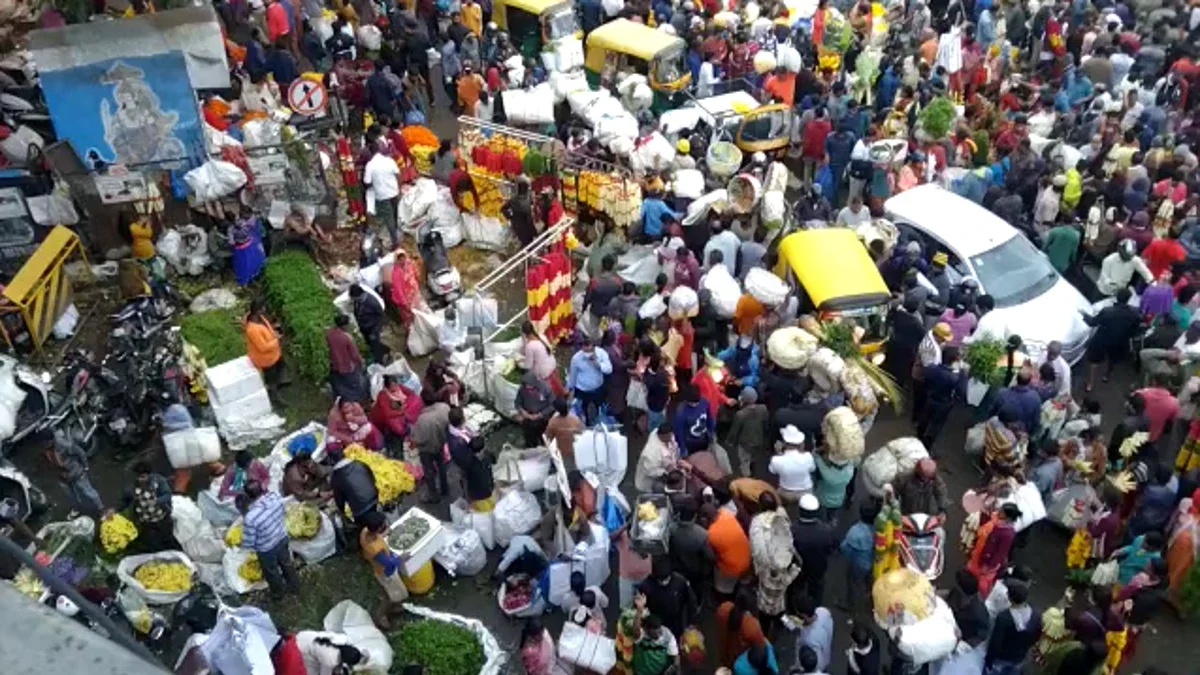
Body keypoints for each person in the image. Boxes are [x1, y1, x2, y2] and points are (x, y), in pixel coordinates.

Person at [240, 482, 300, 599]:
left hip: (266, 549)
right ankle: (295, 587)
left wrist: (243, 544)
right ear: (262, 489)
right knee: (286, 563)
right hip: (281, 537)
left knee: (272, 572)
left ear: (248, 497)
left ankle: (279, 594)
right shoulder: (275, 496)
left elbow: (249, 542)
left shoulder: (251, 518)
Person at [359, 510, 408, 628]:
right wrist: (402, 558)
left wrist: (385, 534)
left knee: (390, 593)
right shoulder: (376, 550)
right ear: (377, 528)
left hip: (378, 567)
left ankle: (394, 607)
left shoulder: (365, 532)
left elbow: (375, 537)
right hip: (386, 573)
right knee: (392, 595)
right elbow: (389, 564)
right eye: (383, 525)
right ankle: (381, 616)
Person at [985, 581, 1043, 675]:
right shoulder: (1036, 614)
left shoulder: (1004, 617)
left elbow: (996, 642)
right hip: (1020, 657)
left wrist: (989, 659)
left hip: (1002, 657)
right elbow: (1037, 635)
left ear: (1009, 598)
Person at [916, 346, 966, 452]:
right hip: (944, 403)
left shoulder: (932, 369)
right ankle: (926, 448)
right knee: (936, 426)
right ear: (955, 360)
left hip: (931, 398)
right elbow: (961, 393)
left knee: (924, 420)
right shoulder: (956, 377)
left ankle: (918, 439)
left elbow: (925, 380)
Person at [638, 556, 697, 641]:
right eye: (660, 580)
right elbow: (641, 609)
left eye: (666, 579)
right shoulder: (646, 586)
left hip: (676, 626)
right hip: (656, 627)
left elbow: (691, 602)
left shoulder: (680, 582)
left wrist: (691, 622)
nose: (663, 583)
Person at [967, 502, 1021, 594]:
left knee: (981, 581)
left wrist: (989, 566)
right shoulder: (998, 522)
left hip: (986, 561)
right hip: (981, 552)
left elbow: (1001, 553)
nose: (998, 512)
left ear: (1007, 516)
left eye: (1001, 511)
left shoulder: (1007, 534)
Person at [792, 494, 836, 606]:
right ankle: (815, 608)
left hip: (798, 568)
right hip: (818, 568)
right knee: (817, 589)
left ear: (800, 510)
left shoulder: (792, 530)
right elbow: (831, 549)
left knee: (797, 588)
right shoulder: (826, 530)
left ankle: (796, 607)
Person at [120, 461, 175, 550]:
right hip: (144, 519)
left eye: (143, 477)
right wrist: (115, 510)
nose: (140, 480)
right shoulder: (132, 487)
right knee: (150, 539)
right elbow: (125, 501)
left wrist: (157, 501)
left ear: (150, 475)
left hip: (161, 516)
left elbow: (167, 495)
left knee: (167, 536)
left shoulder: (159, 481)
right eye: (138, 477)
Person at [45, 430, 102, 516]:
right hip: (62, 476)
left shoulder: (64, 444)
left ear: (50, 440)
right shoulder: (48, 450)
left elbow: (80, 452)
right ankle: (77, 508)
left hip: (76, 472)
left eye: (45, 442)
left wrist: (86, 466)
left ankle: (101, 508)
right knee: (71, 495)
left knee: (88, 491)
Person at [702, 501, 751, 597]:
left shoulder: (711, 534)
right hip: (747, 559)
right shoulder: (726, 513)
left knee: (723, 588)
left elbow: (711, 557)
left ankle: (725, 599)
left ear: (705, 518)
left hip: (732, 569)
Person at [411, 389, 451, 502]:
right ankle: (445, 488)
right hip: (441, 442)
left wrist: (413, 439)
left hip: (427, 449)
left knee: (429, 471)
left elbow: (420, 439)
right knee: (442, 465)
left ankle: (433, 495)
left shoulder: (423, 419)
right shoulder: (444, 407)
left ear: (423, 401)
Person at [327, 443, 379, 525]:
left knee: (362, 527)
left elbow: (340, 502)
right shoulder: (359, 463)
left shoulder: (336, 477)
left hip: (360, 510)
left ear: (330, 459)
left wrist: (342, 513)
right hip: (375, 499)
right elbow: (372, 478)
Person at [363, 139, 402, 247]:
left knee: (388, 218)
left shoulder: (370, 165)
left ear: (371, 152)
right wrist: (399, 188)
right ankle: (397, 233)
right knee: (395, 214)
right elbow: (398, 175)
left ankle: (395, 241)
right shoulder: (389, 160)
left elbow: (367, 182)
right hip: (394, 192)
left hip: (382, 195)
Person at [370, 376, 421, 456]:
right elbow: (387, 413)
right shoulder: (383, 395)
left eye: (395, 385)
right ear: (387, 386)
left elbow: (411, 394)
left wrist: (404, 406)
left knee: (416, 400)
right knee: (395, 431)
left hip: (399, 412)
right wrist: (402, 411)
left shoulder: (400, 388)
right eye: (392, 386)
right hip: (385, 420)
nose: (395, 388)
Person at [840, 503, 877, 613]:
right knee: (870, 581)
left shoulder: (855, 531)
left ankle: (852, 606)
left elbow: (845, 548)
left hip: (859, 564)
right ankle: (872, 600)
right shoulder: (879, 529)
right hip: (874, 561)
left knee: (854, 585)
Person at [630, 596, 681, 675]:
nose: (658, 634)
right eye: (654, 631)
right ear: (646, 629)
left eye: (659, 630)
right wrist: (640, 609)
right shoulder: (642, 634)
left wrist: (676, 666)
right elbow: (635, 630)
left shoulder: (668, 635)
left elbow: (675, 655)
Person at [567, 338, 612, 426]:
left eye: (589, 351)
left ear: (594, 347)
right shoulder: (576, 358)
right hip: (583, 391)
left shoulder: (601, 353)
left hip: (598, 390)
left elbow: (609, 369)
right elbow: (573, 375)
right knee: (583, 413)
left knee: (599, 411)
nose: (587, 354)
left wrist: (598, 363)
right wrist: (570, 388)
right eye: (585, 351)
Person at [726, 387, 768, 476]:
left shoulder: (740, 414)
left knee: (744, 463)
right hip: (758, 441)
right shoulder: (763, 409)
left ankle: (747, 481)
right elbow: (765, 425)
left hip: (745, 444)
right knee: (754, 460)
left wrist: (730, 442)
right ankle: (754, 474)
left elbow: (735, 431)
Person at [769, 426, 815, 505]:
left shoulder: (776, 459)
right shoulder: (808, 456)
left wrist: (778, 453)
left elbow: (772, 471)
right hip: (805, 491)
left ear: (784, 443)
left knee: (777, 500)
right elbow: (812, 469)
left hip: (785, 491)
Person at [327, 314, 367, 402]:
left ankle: (339, 401)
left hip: (334, 365)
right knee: (353, 386)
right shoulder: (346, 337)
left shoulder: (329, 333)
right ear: (345, 325)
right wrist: (362, 362)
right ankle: (352, 403)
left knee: (338, 385)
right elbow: (355, 354)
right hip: (347, 366)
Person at [244, 302, 284, 389]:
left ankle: (279, 381)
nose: (265, 310)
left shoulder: (260, 317)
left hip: (274, 354)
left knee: (280, 365)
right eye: (263, 308)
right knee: (271, 378)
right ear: (258, 311)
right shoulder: (253, 330)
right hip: (265, 359)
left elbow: (267, 330)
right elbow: (263, 347)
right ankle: (274, 396)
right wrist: (276, 340)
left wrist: (273, 333)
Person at [519, 321, 565, 397]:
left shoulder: (530, 346)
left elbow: (528, 366)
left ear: (525, 334)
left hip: (544, 372)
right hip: (552, 365)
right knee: (556, 385)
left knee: (547, 391)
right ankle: (562, 394)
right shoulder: (541, 336)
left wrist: (520, 364)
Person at [790, 595, 834, 673]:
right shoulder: (823, 611)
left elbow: (817, 664)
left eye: (798, 615)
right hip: (826, 656)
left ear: (804, 616)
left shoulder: (810, 640)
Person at [813, 442, 854, 522]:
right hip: (838, 500)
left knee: (820, 515)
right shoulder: (850, 471)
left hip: (822, 499)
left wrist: (822, 448)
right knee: (832, 513)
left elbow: (815, 456)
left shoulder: (826, 472)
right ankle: (831, 520)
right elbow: (851, 460)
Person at [348, 284, 388, 365]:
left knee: (375, 346)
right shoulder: (358, 301)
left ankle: (380, 364)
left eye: (354, 298)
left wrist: (375, 331)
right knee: (370, 344)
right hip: (364, 327)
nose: (352, 300)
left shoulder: (372, 302)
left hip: (372, 329)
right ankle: (383, 352)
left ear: (359, 295)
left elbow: (381, 317)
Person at [635, 423, 679, 493]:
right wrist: (665, 472)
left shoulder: (670, 436)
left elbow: (674, 448)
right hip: (652, 480)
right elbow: (650, 471)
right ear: (661, 436)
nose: (670, 439)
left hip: (669, 469)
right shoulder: (651, 451)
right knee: (659, 488)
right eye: (668, 437)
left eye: (671, 435)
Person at [673, 385, 714, 456]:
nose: (695, 405)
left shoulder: (705, 402)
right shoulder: (681, 412)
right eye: (692, 403)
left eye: (697, 402)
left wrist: (712, 432)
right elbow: (679, 431)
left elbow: (710, 418)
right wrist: (683, 448)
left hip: (704, 438)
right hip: (690, 443)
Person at [544, 398, 583, 465]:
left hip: (562, 454)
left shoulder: (553, 422)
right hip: (576, 452)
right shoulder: (575, 419)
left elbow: (547, 439)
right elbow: (582, 432)